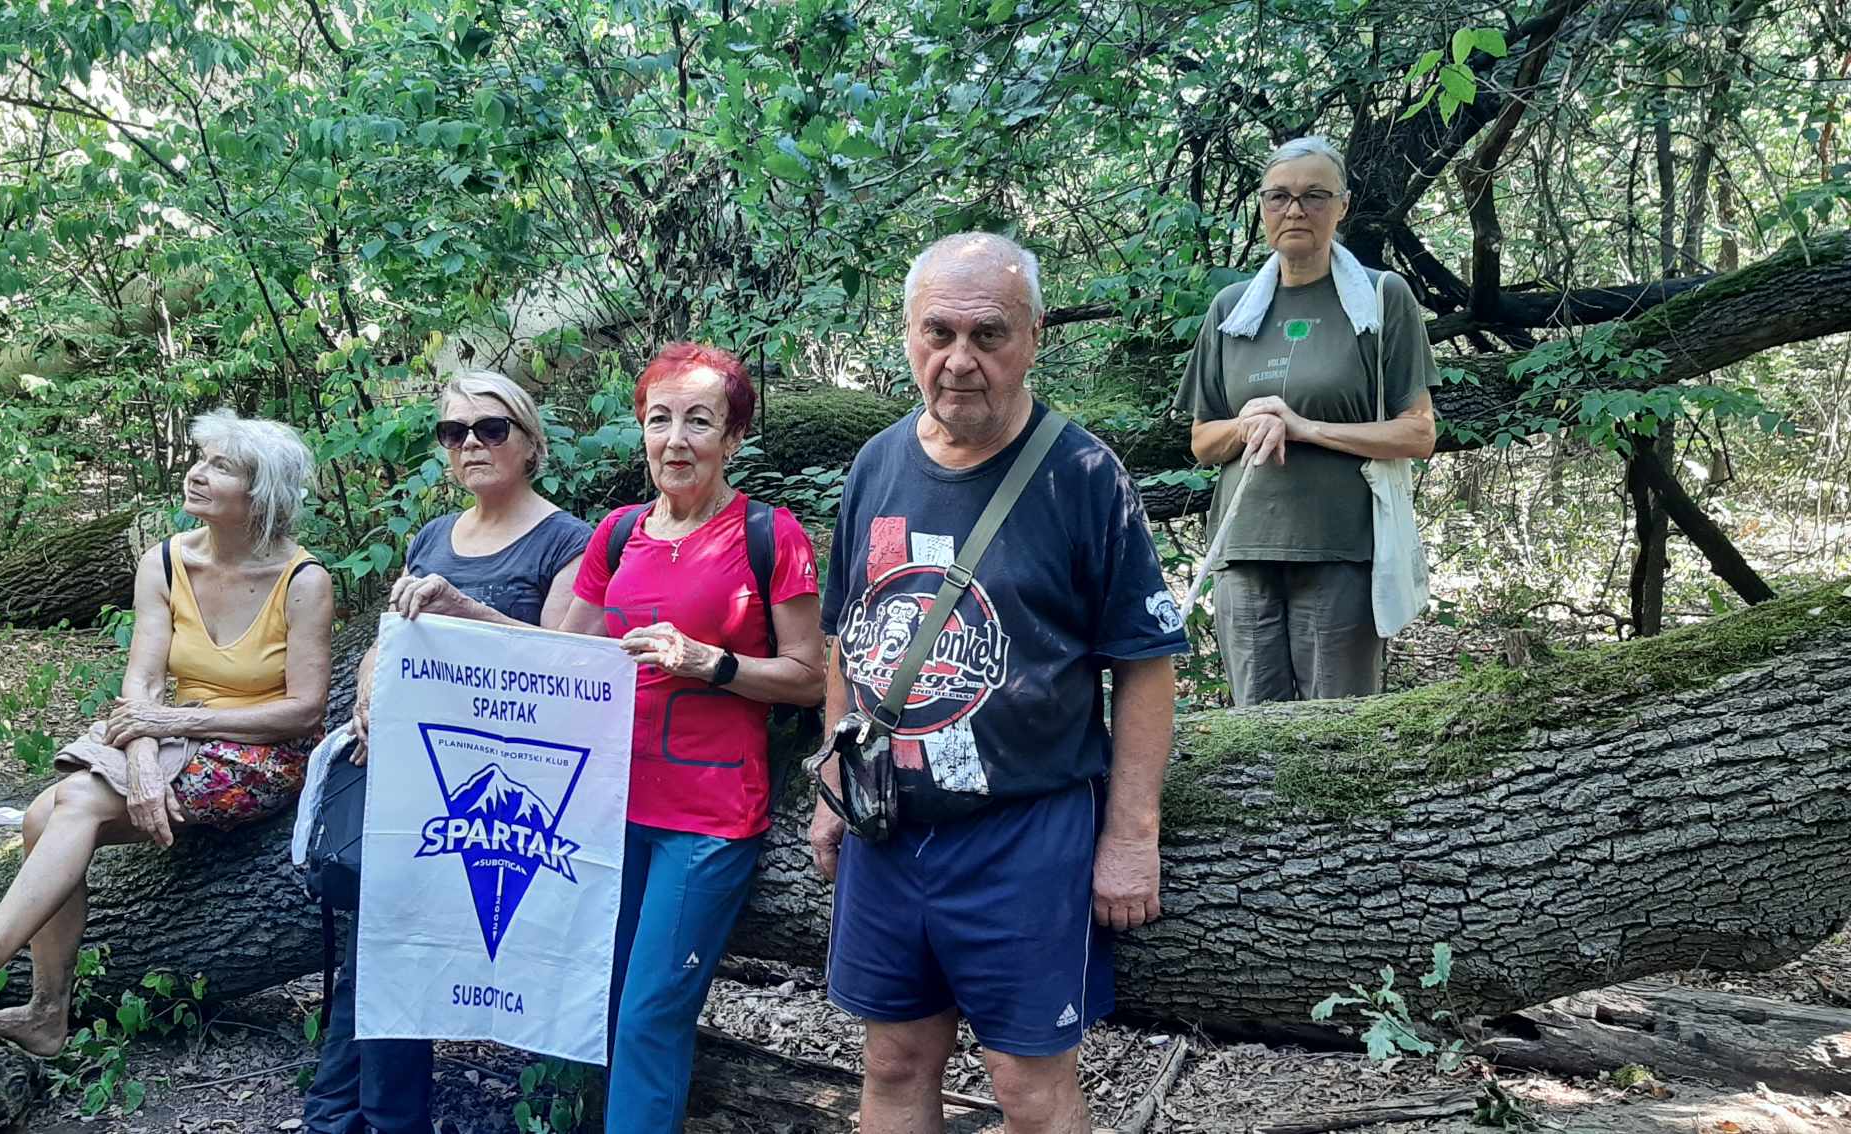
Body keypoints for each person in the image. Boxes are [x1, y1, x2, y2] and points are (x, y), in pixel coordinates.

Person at [811, 233, 1189, 1133]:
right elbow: (845, 638)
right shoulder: (877, 463)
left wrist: (1131, 836)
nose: (959, 360)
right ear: (908, 333)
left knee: (1028, 1086)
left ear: (1033, 338)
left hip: (1024, 832)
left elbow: (1144, 664)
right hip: (889, 827)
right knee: (893, 1062)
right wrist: (833, 780)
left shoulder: (1083, 475)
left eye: (988, 335)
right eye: (937, 332)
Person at [0, 409, 332, 1054]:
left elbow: (305, 710)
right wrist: (145, 759)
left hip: (262, 755)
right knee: (39, 817)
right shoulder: (165, 561)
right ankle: (45, 1015)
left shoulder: (303, 581)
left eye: (222, 467)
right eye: (201, 458)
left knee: (72, 800)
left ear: (261, 495)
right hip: (173, 738)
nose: (197, 473)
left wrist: (170, 723)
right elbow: (142, 685)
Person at [302, 370, 591, 1134]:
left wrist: (464, 607)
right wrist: (368, 689)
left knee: (414, 949)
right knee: (382, 945)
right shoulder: (432, 537)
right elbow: (388, 640)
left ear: (529, 443)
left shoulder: (570, 540)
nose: (471, 444)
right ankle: (343, 1117)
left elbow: (569, 666)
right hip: (413, 779)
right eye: (454, 432)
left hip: (510, 797)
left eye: (491, 428)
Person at [558, 341, 825, 1132]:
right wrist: (460, 615)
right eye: (660, 420)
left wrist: (711, 662)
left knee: (650, 1014)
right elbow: (559, 656)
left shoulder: (770, 534)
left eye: (699, 422)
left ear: (732, 437)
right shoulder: (617, 533)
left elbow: (810, 676)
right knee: (601, 999)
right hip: (609, 808)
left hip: (707, 818)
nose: (676, 441)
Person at [1178, 135, 1438, 706]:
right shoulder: (1231, 309)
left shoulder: (1382, 297)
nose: (1295, 210)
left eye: (1314, 196)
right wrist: (1248, 424)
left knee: (1336, 732)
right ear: (1263, 207)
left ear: (1342, 206)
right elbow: (1202, 441)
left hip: (1342, 549)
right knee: (1253, 732)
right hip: (1243, 549)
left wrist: (1303, 426)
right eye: (1279, 197)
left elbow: (1419, 432)